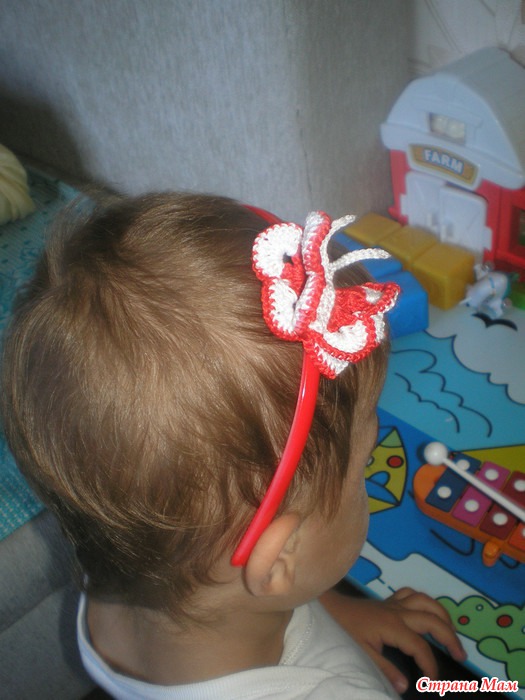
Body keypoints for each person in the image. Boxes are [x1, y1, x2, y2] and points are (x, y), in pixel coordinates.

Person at [1, 192, 465, 699]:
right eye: (365, 464)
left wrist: (331, 609)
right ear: (282, 558)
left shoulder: (124, 576)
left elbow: (239, 585)